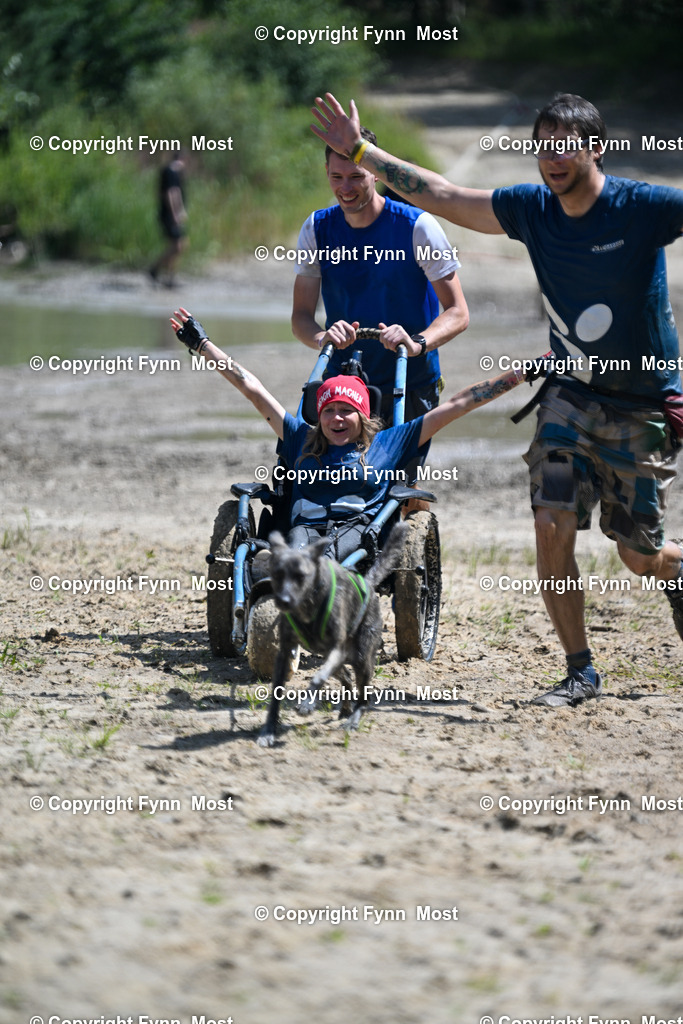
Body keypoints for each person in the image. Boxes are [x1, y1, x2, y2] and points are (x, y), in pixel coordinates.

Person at [310, 91, 683, 707]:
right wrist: (359, 150)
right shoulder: (531, 208)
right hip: (569, 391)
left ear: (596, 148)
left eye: (565, 146)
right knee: (549, 520)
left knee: (638, 555)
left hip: (642, 403)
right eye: (543, 146)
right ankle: (579, 670)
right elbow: (447, 198)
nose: (552, 158)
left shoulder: (640, 207)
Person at [170, 307, 531, 562]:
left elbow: (460, 403)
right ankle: (282, 580)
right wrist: (202, 345)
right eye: (329, 410)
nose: (337, 418)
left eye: (347, 410)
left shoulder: (389, 443)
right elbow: (252, 389)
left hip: (356, 535)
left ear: (363, 415)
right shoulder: (300, 437)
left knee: (324, 561)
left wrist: (519, 375)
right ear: (319, 414)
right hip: (303, 529)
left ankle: (309, 587)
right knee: (291, 553)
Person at [291, 126, 469, 428]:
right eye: (337, 177)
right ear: (326, 172)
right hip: (344, 386)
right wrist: (323, 337)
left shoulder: (419, 227)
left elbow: (458, 312)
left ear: (377, 174)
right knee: (341, 476)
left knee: (399, 478)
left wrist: (416, 343)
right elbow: (301, 317)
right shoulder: (316, 228)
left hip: (410, 383)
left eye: (356, 176)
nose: (345, 188)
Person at [150, 149, 187, 287]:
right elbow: (172, 193)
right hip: (170, 215)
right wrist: (176, 213)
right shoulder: (171, 172)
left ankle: (170, 279)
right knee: (178, 246)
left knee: (176, 246)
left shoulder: (169, 172)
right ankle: (155, 269)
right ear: (182, 159)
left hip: (168, 214)